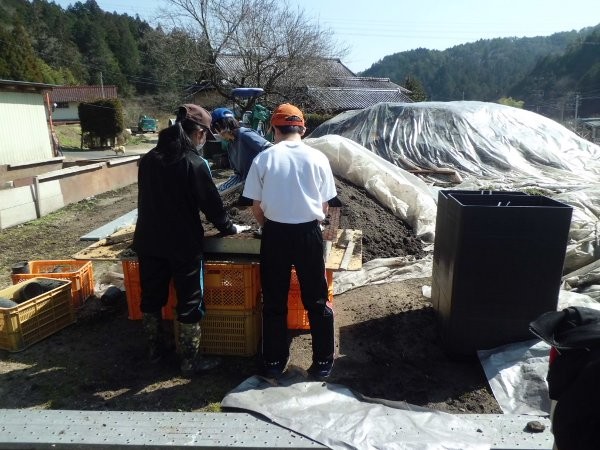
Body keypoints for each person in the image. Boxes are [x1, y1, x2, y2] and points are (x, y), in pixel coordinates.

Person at [132, 103, 248, 377]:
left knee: (151, 297)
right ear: (197, 133)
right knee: (190, 300)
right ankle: (189, 361)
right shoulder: (194, 163)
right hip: (182, 243)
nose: (206, 139)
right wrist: (230, 228)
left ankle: (154, 352)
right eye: (205, 134)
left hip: (147, 239)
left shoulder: (149, 158)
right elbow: (212, 205)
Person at [242, 103, 337, 380]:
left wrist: (269, 227)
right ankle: (322, 362)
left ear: (274, 128)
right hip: (309, 233)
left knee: (274, 299)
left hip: (275, 234)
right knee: (317, 299)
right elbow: (325, 205)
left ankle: (273, 360)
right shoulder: (318, 158)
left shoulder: (264, 158)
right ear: (302, 128)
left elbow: (256, 206)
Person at [210, 107, 272, 197]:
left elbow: (270, 150)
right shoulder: (231, 145)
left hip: (262, 184)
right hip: (248, 186)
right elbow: (238, 175)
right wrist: (222, 188)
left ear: (219, 127)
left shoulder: (244, 134)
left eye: (215, 129)